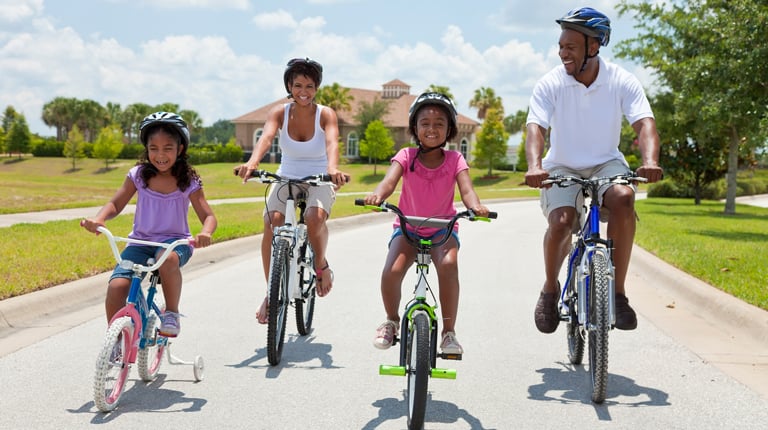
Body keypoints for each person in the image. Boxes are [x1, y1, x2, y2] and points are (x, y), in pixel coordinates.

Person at [524, 7, 664, 334]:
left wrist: (651, 161)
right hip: (561, 165)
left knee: (624, 199)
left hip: (606, 162)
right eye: (560, 46)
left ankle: (617, 295)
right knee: (561, 223)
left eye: (570, 46)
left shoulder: (621, 80)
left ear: (593, 46)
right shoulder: (551, 83)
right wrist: (535, 166)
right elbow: (535, 128)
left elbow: (645, 124)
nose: (562, 53)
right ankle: (549, 289)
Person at [364, 92, 490, 355]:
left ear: (449, 130)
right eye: (425, 123)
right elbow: (388, 182)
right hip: (407, 228)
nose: (432, 128)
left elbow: (467, 190)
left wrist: (475, 207)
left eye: (439, 123)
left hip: (442, 231)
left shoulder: (455, 160)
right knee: (392, 270)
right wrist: (378, 195)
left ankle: (448, 333)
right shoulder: (406, 156)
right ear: (415, 128)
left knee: (448, 265)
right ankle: (391, 320)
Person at [81, 111, 218, 339]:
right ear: (146, 149)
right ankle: (115, 341)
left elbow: (209, 216)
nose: (160, 155)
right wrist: (100, 219)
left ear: (180, 149)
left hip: (175, 244)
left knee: (168, 257)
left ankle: (172, 313)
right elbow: (116, 203)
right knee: (117, 287)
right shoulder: (138, 175)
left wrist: (205, 232)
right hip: (140, 242)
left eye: (167, 148)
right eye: (153, 148)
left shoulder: (188, 181)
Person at [235, 57, 349, 324]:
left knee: (314, 218)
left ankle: (320, 265)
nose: (304, 92)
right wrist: (252, 163)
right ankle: (271, 293)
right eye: (298, 85)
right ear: (289, 85)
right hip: (287, 175)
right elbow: (266, 138)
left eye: (310, 86)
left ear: (317, 87)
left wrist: (333, 169)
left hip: (319, 176)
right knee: (271, 222)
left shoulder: (326, 114)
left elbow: (332, 142)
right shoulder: (279, 112)